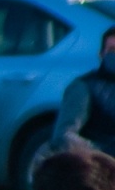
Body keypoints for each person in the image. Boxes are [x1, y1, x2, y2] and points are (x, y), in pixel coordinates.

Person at [47, 27, 115, 159]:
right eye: (112, 50)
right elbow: (64, 136)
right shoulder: (83, 87)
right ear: (101, 54)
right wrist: (103, 154)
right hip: (100, 166)